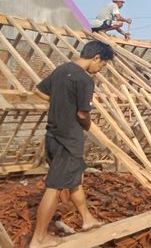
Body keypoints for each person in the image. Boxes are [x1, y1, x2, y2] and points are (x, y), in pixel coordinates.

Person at [29, 40, 114, 248]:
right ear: (96, 58)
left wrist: (59, 101)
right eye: (102, 65)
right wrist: (87, 124)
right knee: (55, 187)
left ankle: (87, 219)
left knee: (74, 180)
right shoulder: (84, 80)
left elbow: (37, 90)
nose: (100, 70)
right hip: (69, 139)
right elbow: (82, 113)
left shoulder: (61, 70)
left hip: (53, 137)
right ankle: (38, 239)